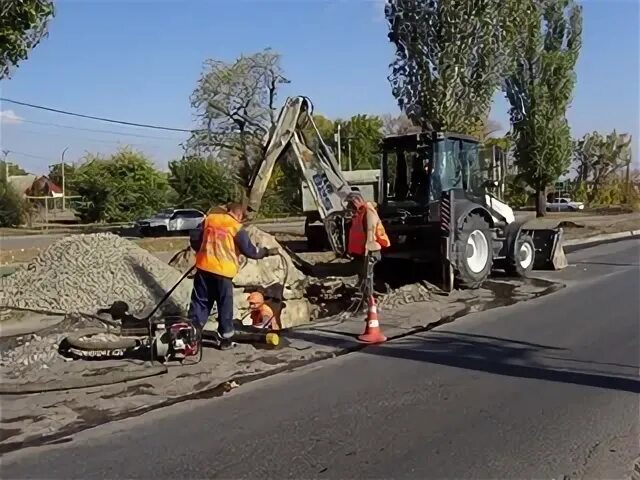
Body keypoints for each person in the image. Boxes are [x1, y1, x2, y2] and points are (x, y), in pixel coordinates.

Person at [188, 202, 278, 350]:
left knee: (200, 302)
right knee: (224, 305)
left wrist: (202, 249)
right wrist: (266, 252)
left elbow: (195, 237)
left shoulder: (210, 219)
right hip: (223, 272)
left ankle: (191, 337)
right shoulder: (236, 227)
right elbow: (250, 251)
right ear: (239, 214)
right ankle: (225, 340)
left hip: (204, 267)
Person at [346, 194, 391, 298]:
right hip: (364, 250)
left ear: (356, 202)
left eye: (350, 204)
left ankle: (369, 298)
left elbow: (370, 233)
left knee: (368, 275)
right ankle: (364, 293)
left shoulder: (368, 212)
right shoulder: (360, 213)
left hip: (371, 250)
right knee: (363, 273)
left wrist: (367, 251)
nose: (348, 207)